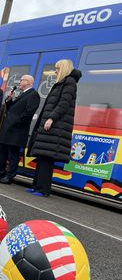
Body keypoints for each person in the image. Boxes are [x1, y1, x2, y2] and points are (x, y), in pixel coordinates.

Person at [27, 59, 82, 196]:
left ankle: (43, 189)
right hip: (51, 127)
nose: (56, 71)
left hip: (56, 127)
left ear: (63, 68)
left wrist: (51, 118)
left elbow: (63, 104)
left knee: (46, 159)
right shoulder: (61, 83)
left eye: (57, 68)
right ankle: (36, 185)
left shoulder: (69, 82)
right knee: (41, 157)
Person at [0, 75, 40, 184]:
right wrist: (9, 100)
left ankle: (9, 175)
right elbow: (13, 110)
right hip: (8, 129)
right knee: (2, 151)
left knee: (13, 155)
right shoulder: (23, 94)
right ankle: (0, 172)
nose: (19, 82)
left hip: (17, 131)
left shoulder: (33, 95)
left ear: (29, 82)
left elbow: (28, 114)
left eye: (21, 80)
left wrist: (14, 123)